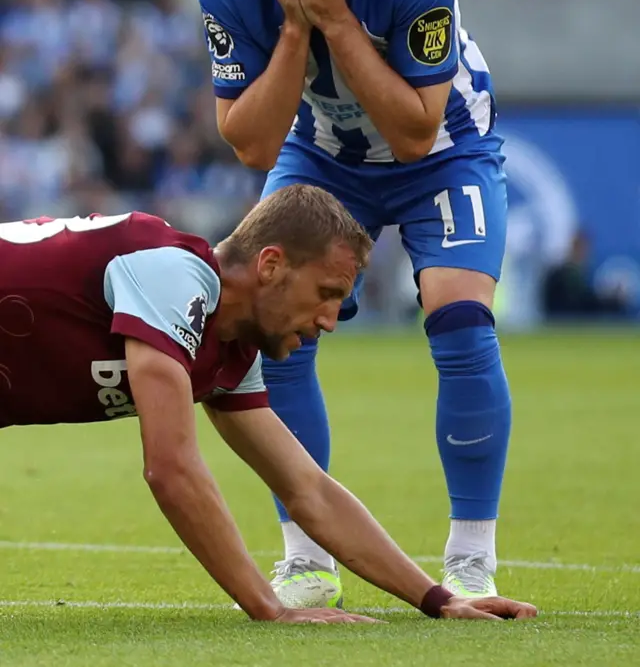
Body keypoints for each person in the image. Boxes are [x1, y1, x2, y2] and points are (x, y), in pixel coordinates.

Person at [199, 0, 512, 607]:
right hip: (324, 153)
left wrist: (337, 17)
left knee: (458, 318)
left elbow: (414, 131)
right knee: (275, 327)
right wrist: (297, 30)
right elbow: (249, 144)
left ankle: (471, 555)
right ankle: (306, 555)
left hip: (447, 150)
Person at [0, 188, 536, 624]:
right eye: (326, 291)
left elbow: (308, 489)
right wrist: (268, 608)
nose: (329, 319)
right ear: (271, 264)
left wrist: (437, 600)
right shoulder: (172, 278)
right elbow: (171, 468)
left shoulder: (229, 352)